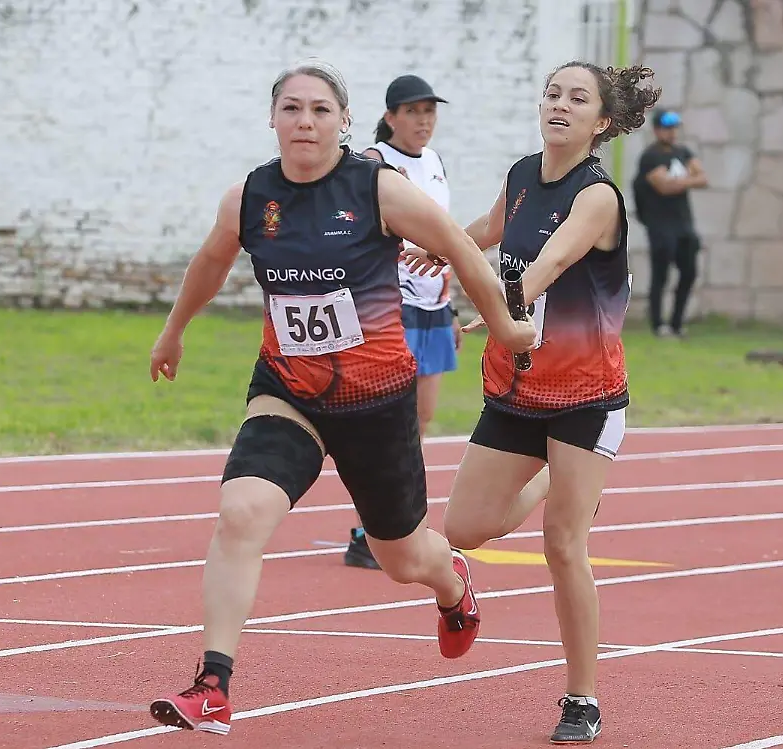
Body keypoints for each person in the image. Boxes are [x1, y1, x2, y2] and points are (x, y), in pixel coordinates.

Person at [146, 58, 537, 737]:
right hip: (289, 390)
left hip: (376, 402)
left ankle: (452, 582)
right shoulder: (249, 198)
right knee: (241, 512)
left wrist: (504, 326)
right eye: (292, 108)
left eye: (320, 110)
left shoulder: (377, 189)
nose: (305, 121)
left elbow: (457, 246)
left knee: (401, 559)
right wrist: (173, 330)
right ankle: (213, 685)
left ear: (345, 121)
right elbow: (211, 260)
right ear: (272, 119)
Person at [403, 60, 661, 744]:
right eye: (552, 94)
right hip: (517, 387)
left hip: (585, 394)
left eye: (577, 98)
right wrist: (446, 245)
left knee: (562, 545)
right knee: (463, 528)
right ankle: (554, 474)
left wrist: (495, 306)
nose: (560, 105)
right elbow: (491, 229)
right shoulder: (522, 175)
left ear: (602, 121)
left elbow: (548, 264)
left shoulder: (597, 196)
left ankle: (582, 698)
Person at [343, 73, 458, 572]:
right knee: (389, 424)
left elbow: (443, 235)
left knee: (421, 420)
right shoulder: (373, 164)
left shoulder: (434, 162)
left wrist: (451, 304)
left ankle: (396, 525)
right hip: (391, 306)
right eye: (412, 111)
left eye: (429, 111)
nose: (423, 120)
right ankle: (369, 530)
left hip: (434, 307)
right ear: (390, 117)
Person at [631, 109, 708, 338]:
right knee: (660, 275)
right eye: (666, 128)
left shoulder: (683, 152)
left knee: (689, 273)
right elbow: (662, 186)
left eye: (674, 128)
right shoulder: (650, 157)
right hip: (660, 225)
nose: (671, 133)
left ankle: (677, 323)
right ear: (656, 130)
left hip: (683, 223)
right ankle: (658, 324)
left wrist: (677, 180)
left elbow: (703, 178)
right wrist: (687, 179)